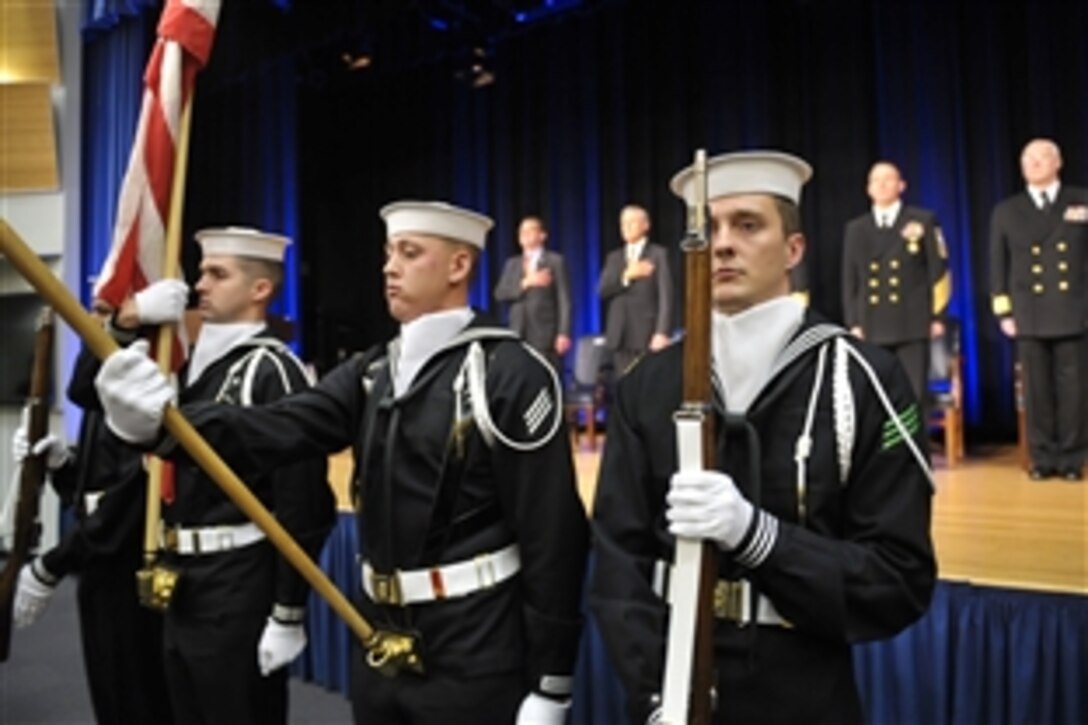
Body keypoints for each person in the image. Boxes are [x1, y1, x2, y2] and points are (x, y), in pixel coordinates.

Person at [93, 202, 589, 725]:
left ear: (459, 266)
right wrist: (164, 425)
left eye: (409, 252)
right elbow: (278, 426)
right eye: (387, 253)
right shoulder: (374, 370)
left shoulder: (510, 372)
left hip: (476, 642)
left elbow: (552, 534)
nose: (389, 266)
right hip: (377, 633)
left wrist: (551, 681)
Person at [590, 150, 936, 724]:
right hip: (672, 695)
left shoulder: (863, 379)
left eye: (747, 225)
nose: (722, 244)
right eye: (708, 228)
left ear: (793, 249)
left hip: (803, 695)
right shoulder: (647, 386)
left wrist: (760, 538)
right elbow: (618, 562)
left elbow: (897, 579)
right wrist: (657, 696)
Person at [138, 227, 334, 724]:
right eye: (202, 271)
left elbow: (303, 502)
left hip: (237, 584)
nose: (200, 284)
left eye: (216, 274)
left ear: (260, 290)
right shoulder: (195, 369)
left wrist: (288, 609)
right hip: (187, 580)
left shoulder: (272, 371)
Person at [11, 280, 185, 725]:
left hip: (132, 563)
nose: (95, 322)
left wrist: (52, 563)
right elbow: (91, 493)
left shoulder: (146, 387)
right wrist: (60, 467)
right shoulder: (100, 398)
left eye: (106, 310)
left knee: (142, 699)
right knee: (110, 696)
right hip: (100, 567)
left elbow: (129, 503)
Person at [990, 138, 1088, 481]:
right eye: (1027, 157)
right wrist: (1003, 311)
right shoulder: (1007, 210)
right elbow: (997, 265)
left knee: (1074, 391)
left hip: (1074, 309)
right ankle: (1043, 457)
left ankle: (1073, 459)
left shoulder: (1080, 201)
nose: (1034, 162)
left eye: (1042, 156)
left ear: (1057, 162)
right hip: (1028, 313)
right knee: (1037, 391)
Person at [842, 161, 951, 403]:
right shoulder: (856, 228)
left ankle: (912, 442)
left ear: (901, 185)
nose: (881, 185)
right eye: (875, 181)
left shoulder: (922, 220)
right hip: (871, 322)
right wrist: (853, 322)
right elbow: (850, 280)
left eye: (888, 179)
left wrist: (938, 316)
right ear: (868, 189)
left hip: (913, 321)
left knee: (913, 394)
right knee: (876, 395)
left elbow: (939, 272)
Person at [598, 204, 675, 376]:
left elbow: (666, 296)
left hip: (646, 333)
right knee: (622, 387)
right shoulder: (614, 257)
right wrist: (626, 276)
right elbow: (602, 290)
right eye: (623, 223)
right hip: (619, 334)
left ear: (645, 225)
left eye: (631, 222)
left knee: (645, 385)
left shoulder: (658, 254)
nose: (626, 227)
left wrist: (662, 331)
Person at [493, 215, 572, 373]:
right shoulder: (512, 264)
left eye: (530, 230)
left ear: (542, 235)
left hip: (544, 333)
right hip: (518, 331)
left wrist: (563, 332)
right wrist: (525, 283)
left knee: (543, 377)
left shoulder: (555, 261)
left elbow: (564, 299)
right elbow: (499, 294)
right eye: (522, 231)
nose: (524, 234)